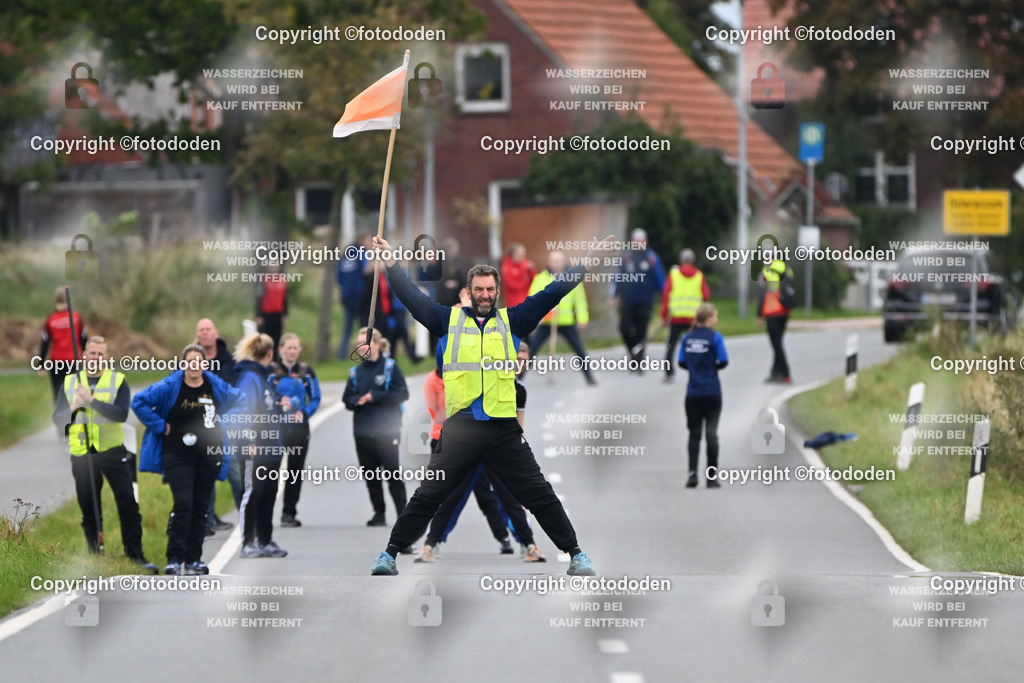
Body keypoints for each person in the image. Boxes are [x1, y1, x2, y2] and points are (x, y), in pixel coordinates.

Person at [367, 234, 610, 577]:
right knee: (429, 494)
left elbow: (552, 293)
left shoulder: (514, 320)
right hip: (461, 428)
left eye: (489, 290)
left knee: (539, 493)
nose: (484, 295)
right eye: (478, 289)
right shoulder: (446, 322)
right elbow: (410, 296)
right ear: (469, 292)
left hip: (501, 429)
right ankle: (389, 554)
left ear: (497, 293)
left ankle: (576, 554)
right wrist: (391, 262)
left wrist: (585, 263)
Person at [416, 337, 546, 563]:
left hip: (499, 448)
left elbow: (519, 426)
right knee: (451, 494)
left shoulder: (520, 390)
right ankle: (431, 544)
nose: (520, 365)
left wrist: (519, 453)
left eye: (525, 361)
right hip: (470, 445)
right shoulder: (486, 378)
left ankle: (528, 544)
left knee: (511, 495)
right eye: (517, 360)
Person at [132, 344, 246, 575]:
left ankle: (194, 559)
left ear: (205, 364)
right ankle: (174, 557)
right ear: (184, 363)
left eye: (199, 361)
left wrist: (223, 425)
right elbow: (139, 402)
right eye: (189, 361)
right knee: (183, 503)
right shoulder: (170, 385)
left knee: (200, 507)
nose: (194, 365)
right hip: (177, 455)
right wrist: (160, 426)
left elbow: (241, 401)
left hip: (208, 455)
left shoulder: (214, 385)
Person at [52, 336, 157, 573]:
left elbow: (120, 414)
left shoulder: (117, 381)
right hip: (82, 454)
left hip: (112, 452)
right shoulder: (70, 383)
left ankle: (135, 554)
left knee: (128, 504)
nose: (95, 358)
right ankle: (95, 554)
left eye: (100, 354)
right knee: (89, 508)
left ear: (107, 358)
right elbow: (59, 422)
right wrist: (74, 406)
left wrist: (91, 401)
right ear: (84, 355)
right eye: (92, 353)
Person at [343, 327, 410, 529]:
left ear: (379, 344)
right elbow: (346, 399)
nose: (363, 347)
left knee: (393, 475)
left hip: (387, 430)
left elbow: (402, 393)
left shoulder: (390, 367)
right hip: (363, 431)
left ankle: (403, 515)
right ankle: (378, 512)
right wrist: (358, 400)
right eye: (360, 343)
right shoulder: (356, 372)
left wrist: (376, 397)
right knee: (371, 475)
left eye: (367, 342)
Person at [235, 333, 291, 558]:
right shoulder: (249, 377)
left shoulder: (264, 379)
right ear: (270, 353)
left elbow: (265, 409)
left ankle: (265, 540)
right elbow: (245, 410)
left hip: (272, 448)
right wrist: (248, 440)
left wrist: (279, 405)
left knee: (269, 492)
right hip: (255, 448)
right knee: (253, 492)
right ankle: (247, 542)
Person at [269, 333, 321, 528]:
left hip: (299, 429)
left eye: (295, 348)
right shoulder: (271, 372)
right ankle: (265, 511)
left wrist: (304, 413)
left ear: (299, 350)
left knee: (295, 471)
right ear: (281, 349)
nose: (291, 352)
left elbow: (315, 398)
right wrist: (277, 403)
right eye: (288, 348)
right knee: (271, 470)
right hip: (277, 428)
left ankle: (288, 513)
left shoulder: (306, 372)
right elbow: (263, 397)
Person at [678, 304, 728, 489]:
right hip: (712, 392)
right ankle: (711, 477)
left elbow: (681, 362)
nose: (716, 320)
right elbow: (723, 361)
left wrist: (695, 368)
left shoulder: (686, 338)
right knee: (712, 435)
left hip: (693, 393)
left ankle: (692, 474)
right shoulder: (715, 337)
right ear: (708, 319)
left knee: (694, 434)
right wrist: (711, 367)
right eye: (715, 317)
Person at [528, 251, 597, 386]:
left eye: (558, 260)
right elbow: (533, 298)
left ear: (563, 261)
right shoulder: (541, 278)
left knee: (579, 350)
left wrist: (582, 319)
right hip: (548, 321)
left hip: (566, 321)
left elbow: (580, 300)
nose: (556, 263)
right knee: (532, 350)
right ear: (549, 262)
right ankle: (517, 378)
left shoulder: (572, 278)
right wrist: (545, 309)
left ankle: (589, 377)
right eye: (553, 260)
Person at [195, 317, 236, 534]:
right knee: (206, 476)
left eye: (207, 329)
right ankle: (208, 518)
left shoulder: (230, 361)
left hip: (229, 427)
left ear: (215, 333)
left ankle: (249, 517)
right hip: (202, 427)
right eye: (200, 330)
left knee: (235, 473)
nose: (204, 333)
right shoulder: (191, 361)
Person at [608, 228, 665, 371]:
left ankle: (638, 361)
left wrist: (665, 298)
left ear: (645, 242)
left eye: (641, 241)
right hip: (628, 301)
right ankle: (632, 351)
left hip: (645, 302)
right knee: (624, 328)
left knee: (641, 331)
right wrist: (613, 295)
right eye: (636, 242)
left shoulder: (652, 258)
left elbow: (660, 281)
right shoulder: (626, 257)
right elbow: (617, 277)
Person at [660, 248, 711, 384]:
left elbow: (666, 296)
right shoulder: (699, 276)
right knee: (696, 346)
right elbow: (706, 295)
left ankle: (669, 372)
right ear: (693, 261)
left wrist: (664, 316)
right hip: (693, 319)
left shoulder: (673, 275)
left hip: (676, 317)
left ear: (681, 261)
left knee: (671, 345)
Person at [39, 286, 88, 402]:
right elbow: (84, 339)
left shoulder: (51, 319)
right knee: (74, 392)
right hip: (73, 360)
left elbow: (45, 342)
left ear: (55, 300)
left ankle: (61, 418)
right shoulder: (76, 317)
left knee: (58, 393)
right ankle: (75, 416)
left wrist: (41, 365)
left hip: (56, 361)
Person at [758, 258, 795, 384]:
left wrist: (759, 315)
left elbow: (761, 294)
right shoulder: (786, 268)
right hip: (785, 311)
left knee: (777, 345)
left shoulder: (766, 271)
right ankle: (775, 374)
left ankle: (785, 374)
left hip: (772, 311)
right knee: (778, 343)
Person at [338, 232, 370, 359]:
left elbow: (338, 276)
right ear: (362, 240)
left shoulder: (346, 254)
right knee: (363, 326)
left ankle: (341, 355)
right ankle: (365, 353)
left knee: (347, 328)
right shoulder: (362, 253)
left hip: (346, 296)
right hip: (358, 296)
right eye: (368, 240)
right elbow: (366, 269)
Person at [256, 261, 288, 359]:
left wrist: (285, 314)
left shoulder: (282, 281)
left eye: (275, 265)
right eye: (272, 265)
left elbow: (285, 299)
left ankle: (275, 360)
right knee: (264, 339)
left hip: (277, 314)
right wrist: (259, 315)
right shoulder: (263, 281)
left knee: (277, 339)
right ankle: (263, 358)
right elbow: (259, 298)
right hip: (266, 314)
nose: (274, 268)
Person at [500, 242, 535, 307]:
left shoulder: (525, 264)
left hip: (527, 299)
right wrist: (524, 281)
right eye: (521, 255)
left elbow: (534, 280)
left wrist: (531, 271)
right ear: (514, 254)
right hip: (514, 302)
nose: (523, 257)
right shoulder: (507, 267)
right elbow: (511, 284)